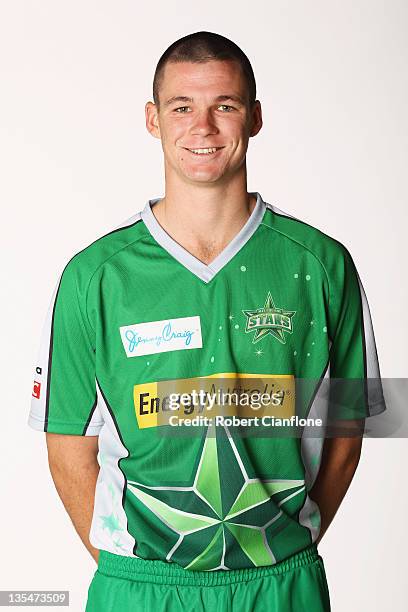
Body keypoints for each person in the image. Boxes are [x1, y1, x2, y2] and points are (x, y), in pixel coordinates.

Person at [28, 31, 386, 612]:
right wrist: (134, 572)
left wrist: (284, 545)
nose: (203, 128)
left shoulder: (320, 264)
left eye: (225, 106)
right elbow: (65, 444)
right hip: (140, 587)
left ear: (255, 117)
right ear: (152, 119)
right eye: (182, 107)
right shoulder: (93, 275)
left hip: (280, 585)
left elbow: (347, 432)